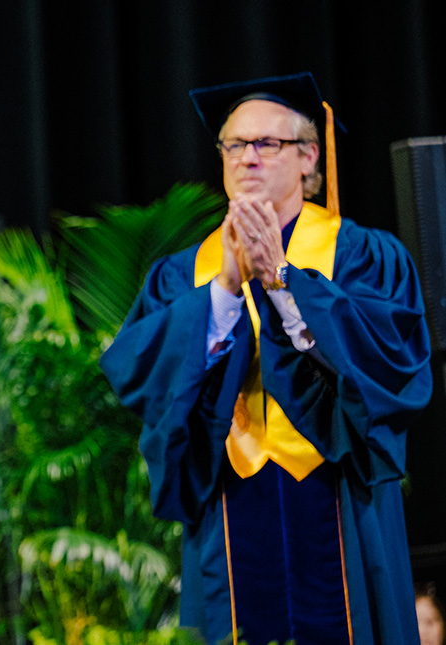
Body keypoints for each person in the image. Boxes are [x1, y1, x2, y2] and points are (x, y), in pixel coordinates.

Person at [100, 72, 433, 643]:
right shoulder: (186, 274)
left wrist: (284, 282)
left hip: (341, 500)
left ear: (309, 157)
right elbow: (142, 379)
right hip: (229, 505)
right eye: (235, 144)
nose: (247, 157)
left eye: (267, 144)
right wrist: (224, 292)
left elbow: (392, 362)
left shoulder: (362, 256)